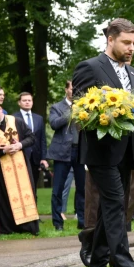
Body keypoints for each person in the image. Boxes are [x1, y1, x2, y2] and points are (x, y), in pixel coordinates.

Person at [72, 18, 134, 267]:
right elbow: (79, 111)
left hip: (126, 152)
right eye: (126, 42)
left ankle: (97, 263)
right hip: (99, 153)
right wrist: (103, 116)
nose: (132, 47)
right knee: (114, 204)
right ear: (110, 40)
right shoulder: (89, 67)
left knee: (112, 207)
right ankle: (124, 266)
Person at [47, 81, 86, 231]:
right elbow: (54, 124)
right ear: (66, 90)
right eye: (72, 88)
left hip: (80, 151)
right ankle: (58, 223)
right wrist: (71, 112)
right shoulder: (56, 107)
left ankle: (82, 221)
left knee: (82, 188)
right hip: (62, 153)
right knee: (58, 189)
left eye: (77, 89)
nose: (74, 91)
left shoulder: (85, 106)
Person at [0, 110, 39, 235]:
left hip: (20, 165)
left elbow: (31, 138)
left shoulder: (16, 121)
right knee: (4, 198)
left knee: (25, 194)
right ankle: (7, 227)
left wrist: (20, 145)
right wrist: (3, 151)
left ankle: (27, 226)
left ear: (0, 110)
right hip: (1, 168)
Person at [13, 92, 48, 204]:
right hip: (20, 155)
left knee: (33, 186)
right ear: (19, 102)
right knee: (21, 186)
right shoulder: (13, 117)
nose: (27, 102)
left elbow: (42, 139)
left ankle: (34, 216)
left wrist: (44, 158)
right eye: (24, 100)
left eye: (29, 100)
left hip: (35, 158)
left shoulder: (39, 118)